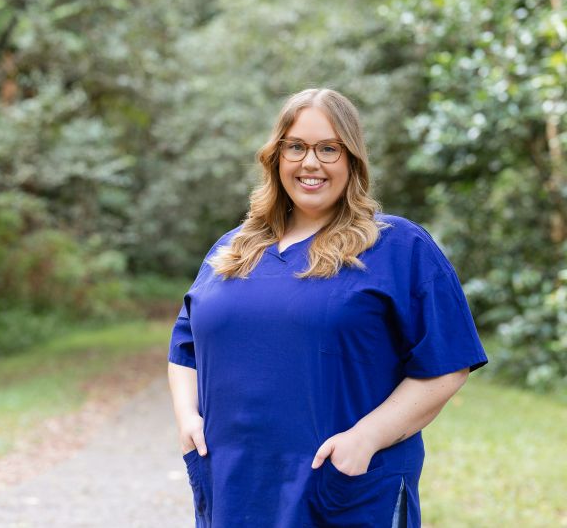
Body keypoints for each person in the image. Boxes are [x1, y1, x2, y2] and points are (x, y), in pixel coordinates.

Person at [166, 88, 488, 528]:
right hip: (235, 490)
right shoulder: (232, 249)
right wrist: (187, 419)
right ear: (276, 157)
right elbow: (184, 347)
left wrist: (366, 438)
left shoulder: (397, 246)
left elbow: (446, 364)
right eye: (296, 147)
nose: (310, 162)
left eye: (328, 149)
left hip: (342, 492)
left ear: (352, 160)